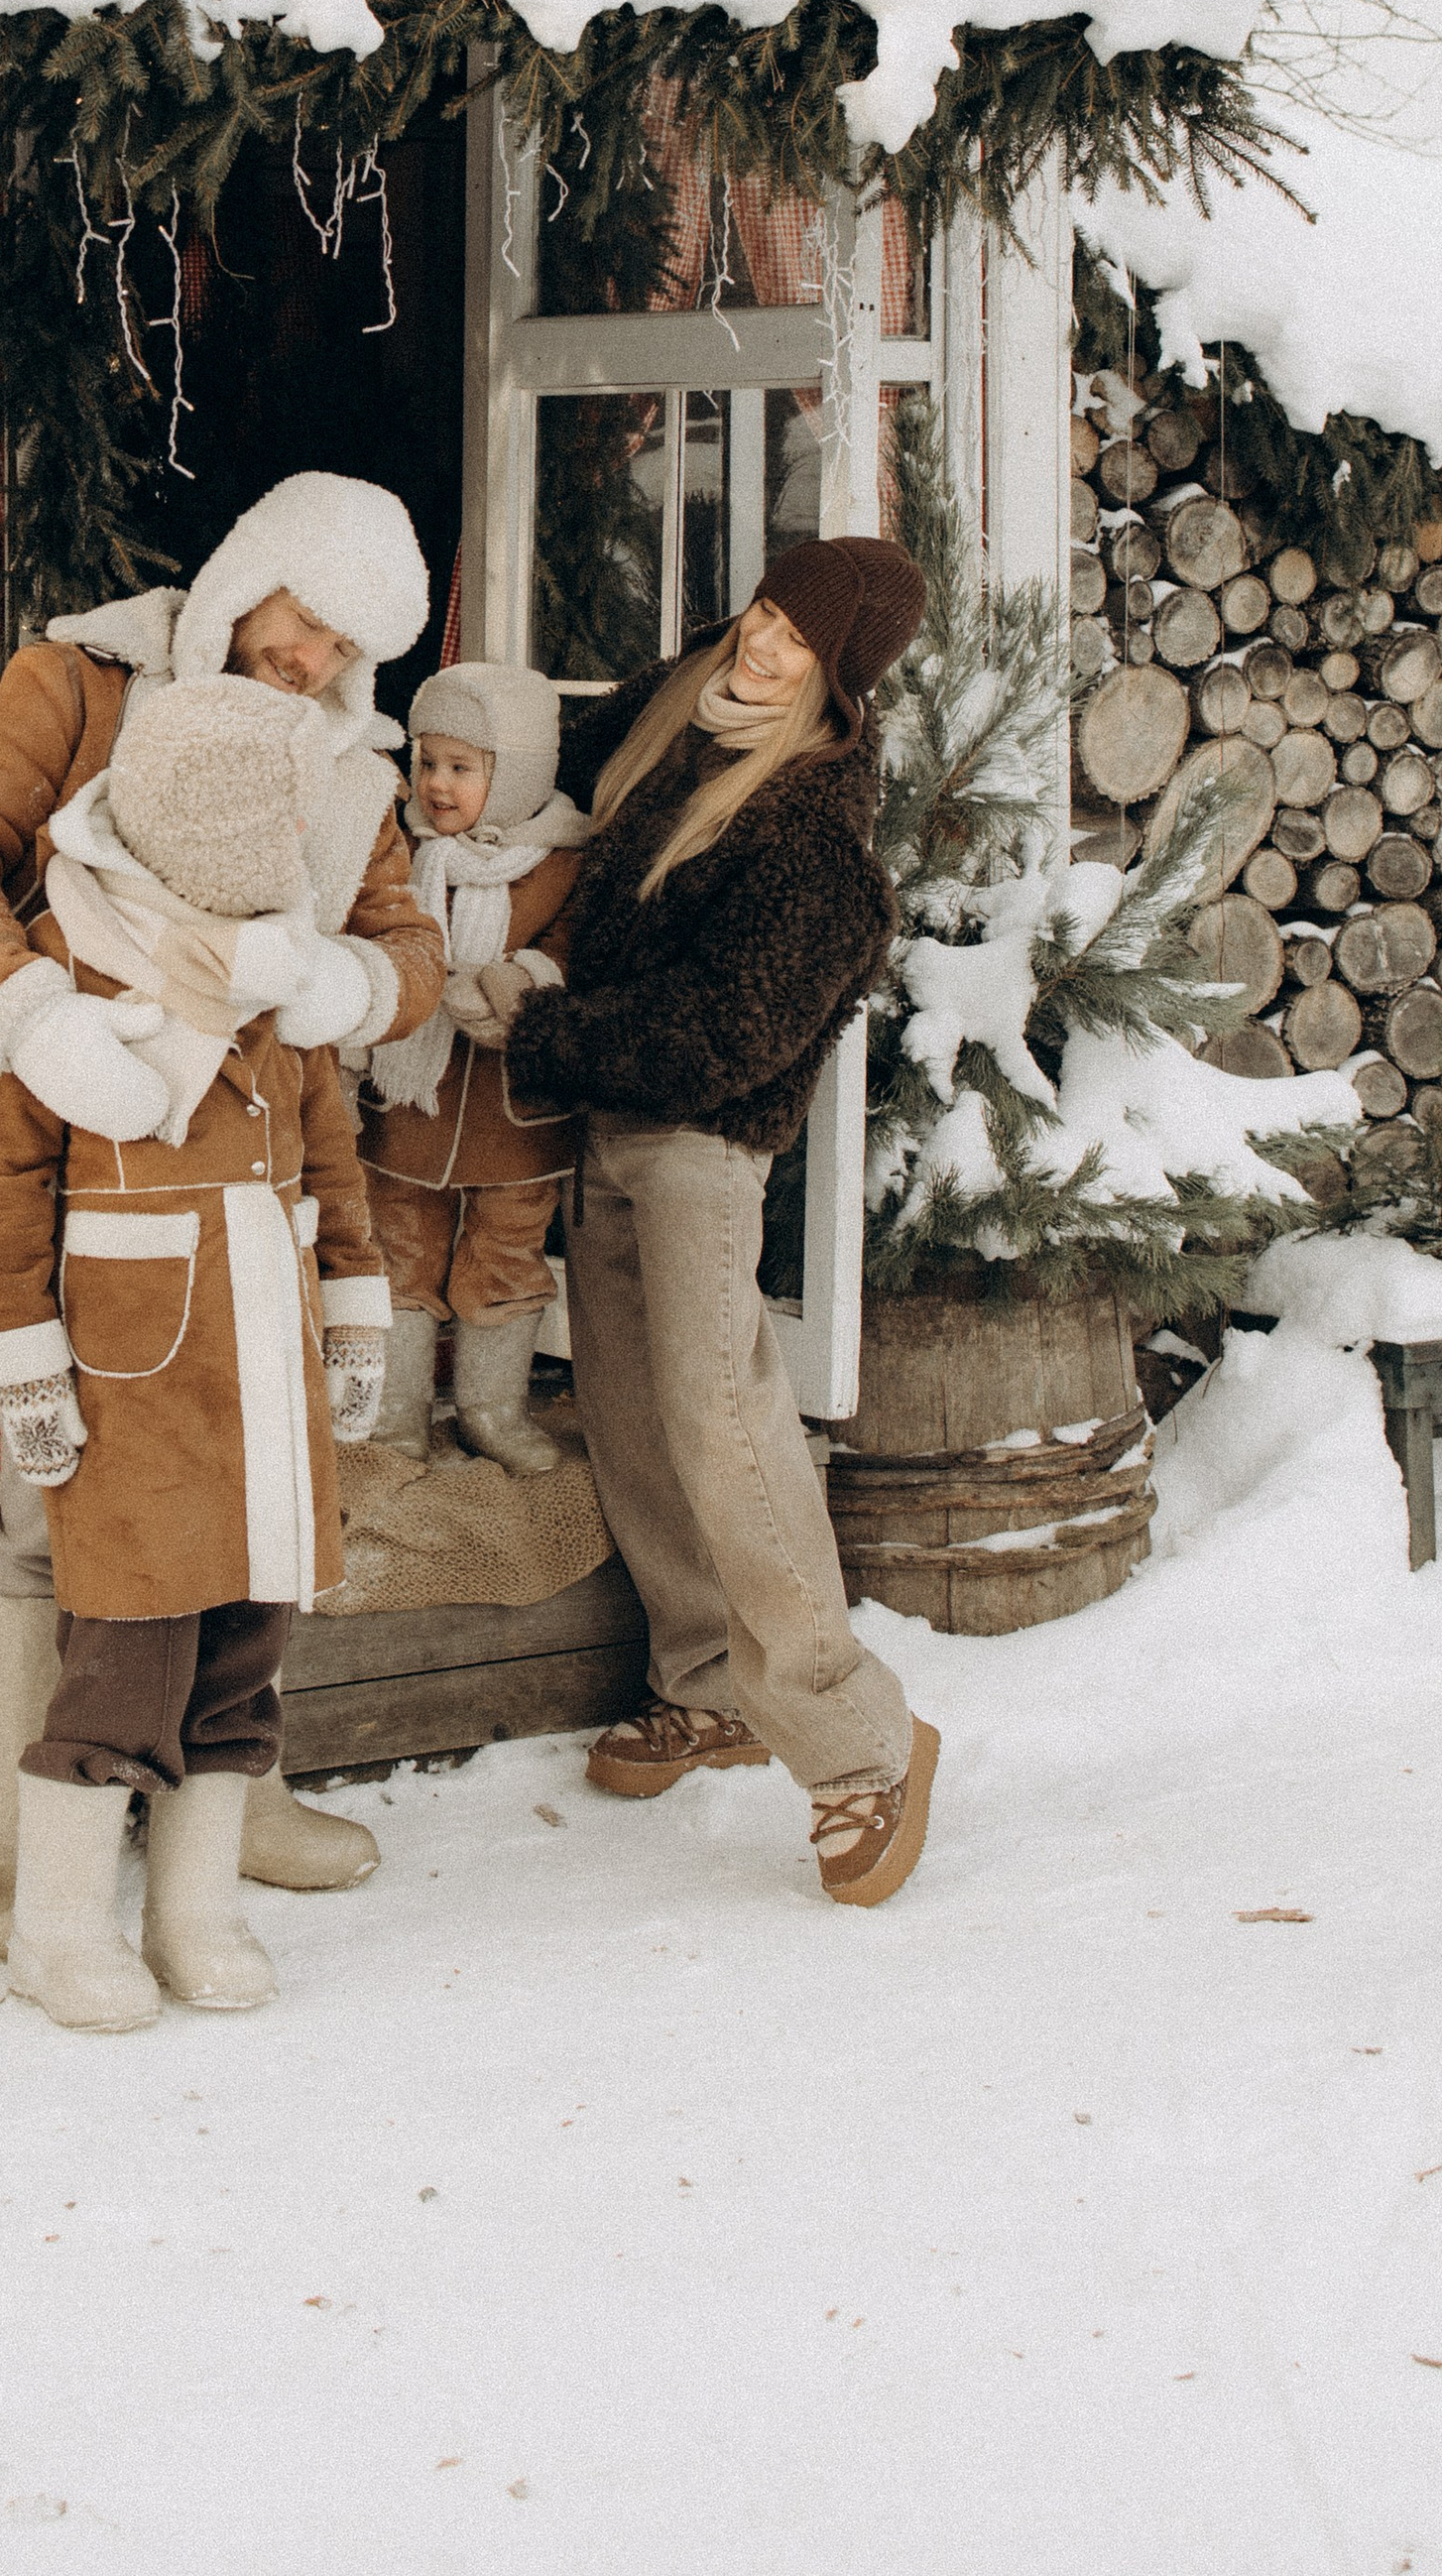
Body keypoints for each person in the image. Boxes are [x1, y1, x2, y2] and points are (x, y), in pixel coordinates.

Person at [0, 472, 444, 1945]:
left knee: (251, 1482)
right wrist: (30, 1014)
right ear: (250, 570)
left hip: (248, 1179)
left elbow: (409, 954)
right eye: (301, 620)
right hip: (49, 1141)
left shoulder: (349, 768)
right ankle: (22, 1847)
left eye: (344, 647)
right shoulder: (83, 683)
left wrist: (339, 986)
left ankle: (229, 1800)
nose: (311, 661)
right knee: (41, 1497)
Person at [504, 537, 940, 1909]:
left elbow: (725, 1033)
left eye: (793, 645)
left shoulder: (816, 830)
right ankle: (706, 1684)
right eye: (762, 615)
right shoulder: (678, 710)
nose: (760, 649)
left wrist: (541, 1028)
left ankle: (858, 1741)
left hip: (697, 1140)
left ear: (837, 678)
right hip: (609, 1123)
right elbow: (546, 755)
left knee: (723, 1424)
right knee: (630, 1407)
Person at [0, 677, 395, 2031]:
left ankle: (194, 1909)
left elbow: (333, 1156)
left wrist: (353, 1308)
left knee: (244, 1645)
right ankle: (57, 1927)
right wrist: (28, 1367)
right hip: (136, 1380)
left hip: (264, 1369)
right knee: (126, 1653)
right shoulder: (58, 981)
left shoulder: (284, 976)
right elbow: (7, 1192)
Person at [356, 662, 587, 1477]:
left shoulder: (561, 860)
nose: (438, 784)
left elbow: (571, 952)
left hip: (511, 1107)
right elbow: (373, 927)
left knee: (505, 1251)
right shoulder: (398, 848)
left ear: (514, 771)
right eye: (428, 762)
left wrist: (522, 978)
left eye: (463, 767)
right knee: (399, 1245)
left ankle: (492, 1407)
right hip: (410, 1101)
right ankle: (397, 1409)